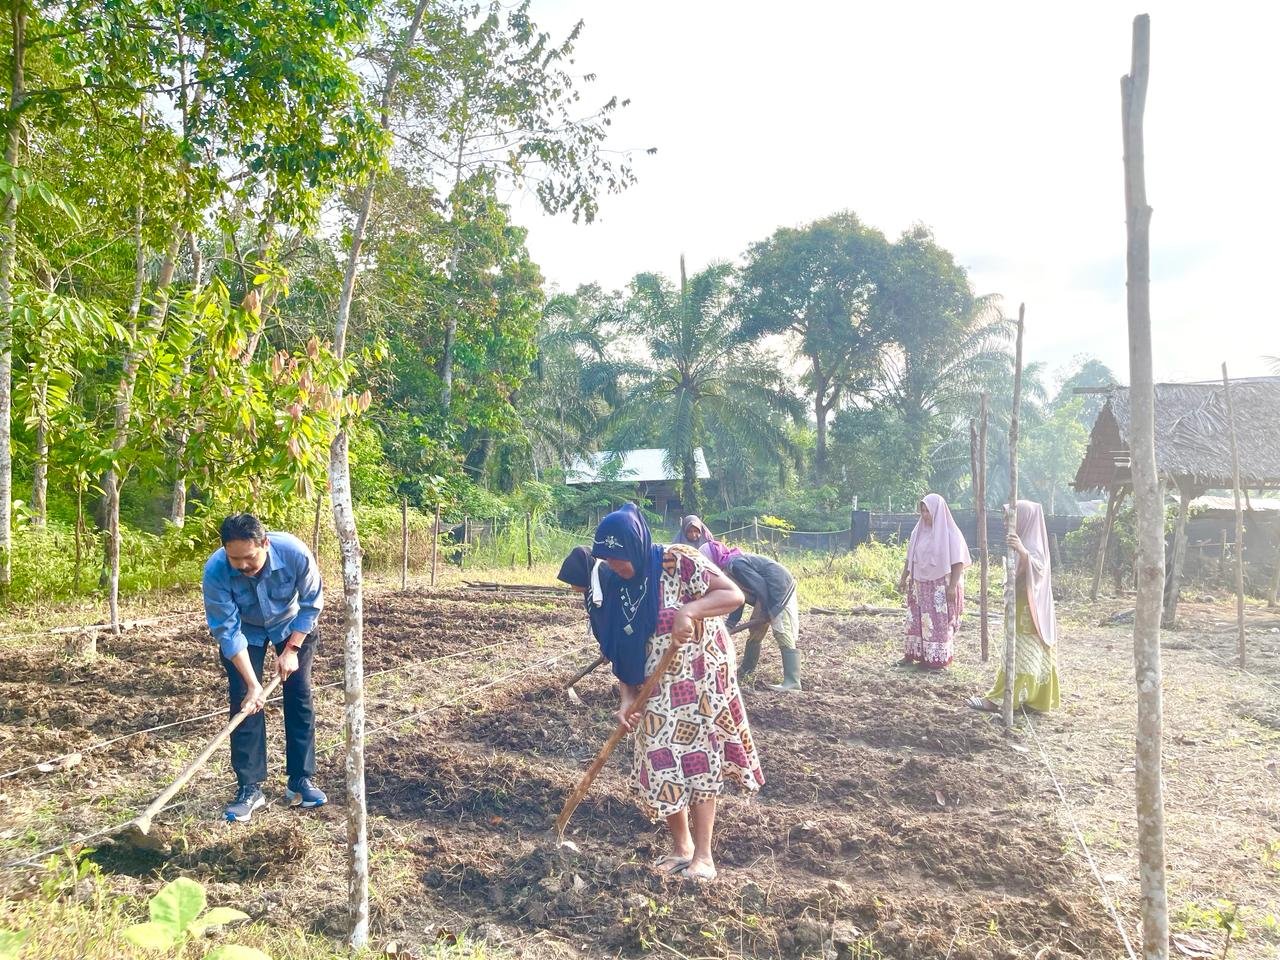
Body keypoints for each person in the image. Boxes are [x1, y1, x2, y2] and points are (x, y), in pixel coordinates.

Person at [583, 503, 763, 884]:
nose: (614, 565)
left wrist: (691, 611)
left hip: (698, 681)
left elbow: (733, 595)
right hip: (653, 690)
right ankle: (680, 848)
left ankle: (704, 856)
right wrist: (626, 698)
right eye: (608, 559)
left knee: (697, 760)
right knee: (660, 761)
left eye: (619, 558)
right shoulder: (616, 581)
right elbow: (620, 645)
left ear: (635, 546)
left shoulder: (676, 560)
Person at [202, 513, 326, 822]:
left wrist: (292, 649)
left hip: (291, 624)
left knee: (299, 696)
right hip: (247, 632)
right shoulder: (216, 571)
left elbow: (312, 602)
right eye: (235, 559)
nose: (242, 565)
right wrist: (253, 684)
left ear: (265, 543)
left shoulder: (295, 553)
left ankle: (300, 780)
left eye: (249, 558)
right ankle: (250, 788)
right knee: (245, 701)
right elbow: (228, 632)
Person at [968, 500, 1060, 713]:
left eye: (1009, 518)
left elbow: (1038, 568)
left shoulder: (1032, 543)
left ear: (1024, 519)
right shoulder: (1021, 540)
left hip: (1030, 610)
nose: (1004, 523)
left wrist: (1022, 551)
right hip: (1018, 605)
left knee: (1023, 652)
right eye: (1004, 518)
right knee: (1015, 649)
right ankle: (1020, 697)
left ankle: (1004, 699)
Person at [897, 494, 970, 669]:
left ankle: (936, 660)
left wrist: (952, 587)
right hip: (920, 585)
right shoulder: (918, 531)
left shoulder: (951, 533)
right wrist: (903, 577)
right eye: (922, 511)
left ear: (937, 511)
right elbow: (909, 558)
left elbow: (958, 562)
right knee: (915, 620)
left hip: (940, 586)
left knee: (938, 622)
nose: (924, 515)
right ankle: (914, 654)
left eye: (928, 511)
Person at [716, 552, 801, 692]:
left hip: (778, 588)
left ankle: (792, 681)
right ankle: (746, 670)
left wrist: (770, 612)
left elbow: (760, 584)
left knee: (781, 629)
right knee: (756, 630)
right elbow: (739, 599)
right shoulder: (728, 572)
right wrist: (729, 626)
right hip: (765, 593)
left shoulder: (735, 565)